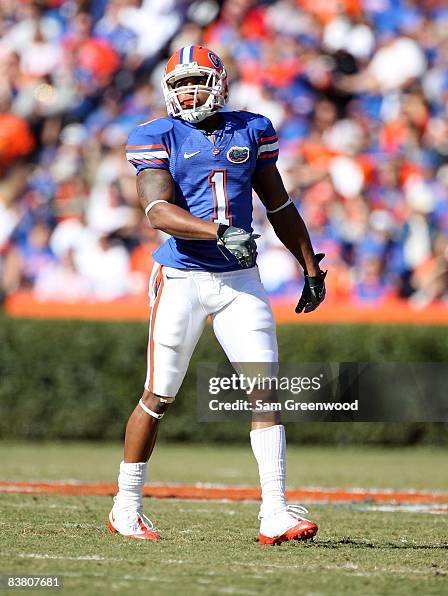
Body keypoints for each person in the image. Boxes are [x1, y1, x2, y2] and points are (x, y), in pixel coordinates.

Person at [108, 45, 327, 545]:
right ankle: (126, 505)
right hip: (182, 279)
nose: (188, 91)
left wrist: (310, 267)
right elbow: (157, 211)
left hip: (239, 281)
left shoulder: (252, 129)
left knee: (265, 389)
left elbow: (280, 204)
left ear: (220, 84)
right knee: (158, 396)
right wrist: (217, 231)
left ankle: (274, 511)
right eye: (180, 83)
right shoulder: (156, 135)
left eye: (197, 81)